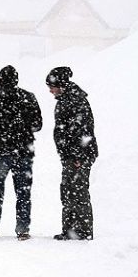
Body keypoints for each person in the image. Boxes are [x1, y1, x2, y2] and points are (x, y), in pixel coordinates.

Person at [0, 65, 42, 240]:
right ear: (16, 80)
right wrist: (22, 128)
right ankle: (22, 228)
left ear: (0, 80)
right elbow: (38, 124)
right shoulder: (28, 97)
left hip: (0, 149)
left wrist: (0, 129)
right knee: (23, 191)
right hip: (23, 151)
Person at [46, 67, 98, 240]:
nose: (50, 90)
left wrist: (77, 156)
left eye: (52, 86)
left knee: (78, 191)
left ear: (61, 84)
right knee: (68, 190)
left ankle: (82, 231)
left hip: (78, 155)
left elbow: (82, 129)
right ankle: (71, 230)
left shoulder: (75, 100)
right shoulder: (67, 99)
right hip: (71, 155)